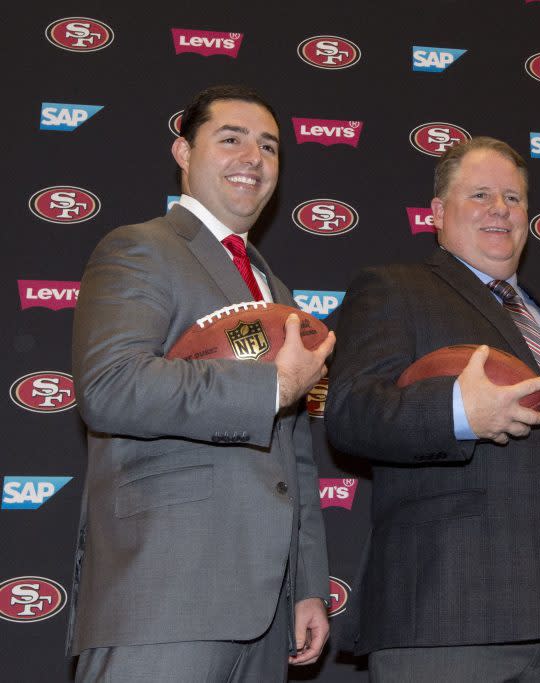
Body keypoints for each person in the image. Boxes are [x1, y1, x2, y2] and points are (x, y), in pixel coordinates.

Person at [325, 137, 540, 681]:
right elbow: (351, 413)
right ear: (437, 213)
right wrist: (458, 413)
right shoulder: (393, 289)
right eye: (480, 194)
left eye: (513, 197)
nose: (499, 209)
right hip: (443, 615)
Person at [67, 85, 335, 681]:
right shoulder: (141, 249)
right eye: (230, 138)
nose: (254, 157)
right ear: (183, 153)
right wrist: (269, 389)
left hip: (268, 611)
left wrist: (308, 584)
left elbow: (294, 456)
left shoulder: (275, 290)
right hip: (165, 589)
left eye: (269, 146)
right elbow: (111, 385)